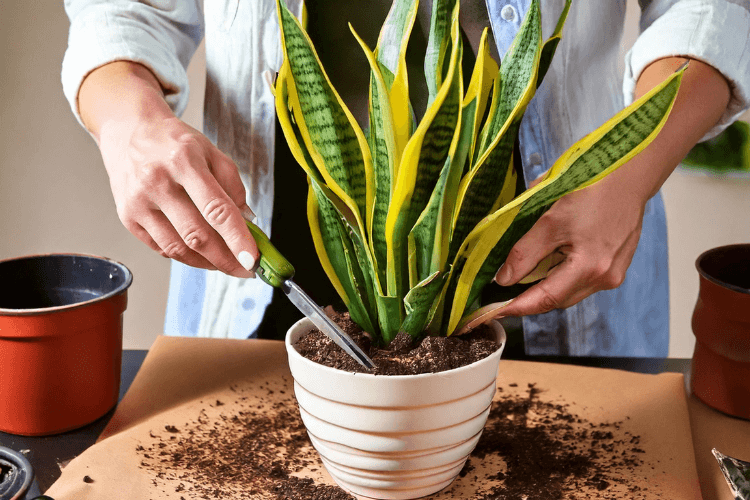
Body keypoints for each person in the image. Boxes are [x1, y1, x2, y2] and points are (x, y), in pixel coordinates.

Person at [62, 0, 750, 355]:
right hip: (268, 283)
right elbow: (124, 9)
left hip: (559, 264)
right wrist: (128, 121)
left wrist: (631, 169)